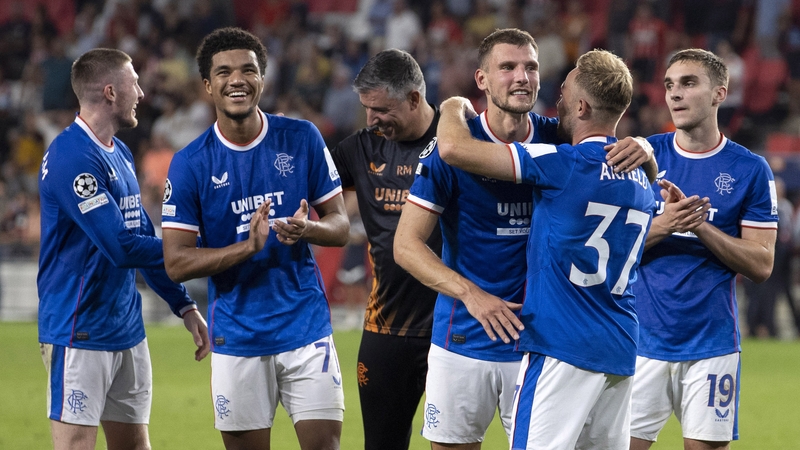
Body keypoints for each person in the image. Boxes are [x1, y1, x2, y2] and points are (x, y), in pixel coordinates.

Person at [394, 29, 654, 448]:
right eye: (508, 67)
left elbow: (607, 155)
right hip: (464, 335)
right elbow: (406, 246)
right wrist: (471, 294)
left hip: (541, 343)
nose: (522, 77)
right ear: (482, 79)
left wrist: (644, 146)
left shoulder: (561, 140)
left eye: (531, 66)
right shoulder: (454, 144)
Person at [160, 27, 349, 450]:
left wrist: (308, 229)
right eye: (224, 72)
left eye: (248, 69)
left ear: (263, 77)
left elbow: (340, 226)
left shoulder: (301, 138)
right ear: (208, 86)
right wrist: (247, 248)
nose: (237, 79)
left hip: (305, 329)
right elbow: (175, 262)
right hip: (237, 337)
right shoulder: (190, 164)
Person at [37, 48, 209, 450]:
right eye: (135, 83)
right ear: (111, 92)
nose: (143, 93)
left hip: (126, 328)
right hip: (78, 329)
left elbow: (141, 234)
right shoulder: (72, 158)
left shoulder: (122, 152)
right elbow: (122, 248)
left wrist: (182, 304)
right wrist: (201, 245)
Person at [629, 48, 778, 450]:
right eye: (669, 85)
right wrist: (665, 224)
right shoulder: (644, 156)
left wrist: (700, 226)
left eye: (688, 83)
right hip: (641, 341)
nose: (674, 94)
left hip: (711, 346)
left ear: (720, 94)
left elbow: (762, 264)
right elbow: (608, 251)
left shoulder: (750, 170)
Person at [329, 48, 442, 450]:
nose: (371, 120)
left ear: (414, 97)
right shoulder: (360, 148)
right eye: (366, 109)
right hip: (386, 330)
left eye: (380, 109)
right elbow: (310, 189)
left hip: (453, 330)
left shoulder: (459, 140)